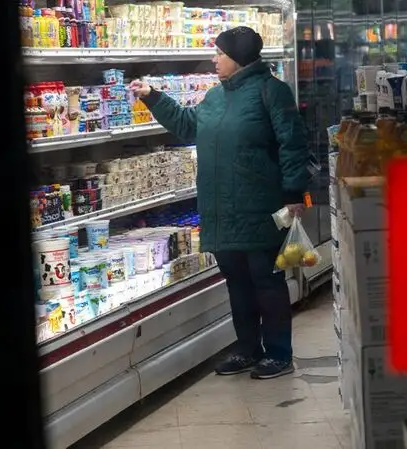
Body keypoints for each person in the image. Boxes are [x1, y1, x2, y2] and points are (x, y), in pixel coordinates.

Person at [129, 26, 310, 380]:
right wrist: (152, 96)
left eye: (220, 53)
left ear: (239, 57)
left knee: (267, 282)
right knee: (236, 283)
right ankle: (247, 349)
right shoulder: (215, 96)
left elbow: (292, 143)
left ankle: (278, 353)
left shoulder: (271, 92)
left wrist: (293, 193)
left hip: (261, 208)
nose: (214, 59)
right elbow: (186, 125)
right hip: (220, 210)